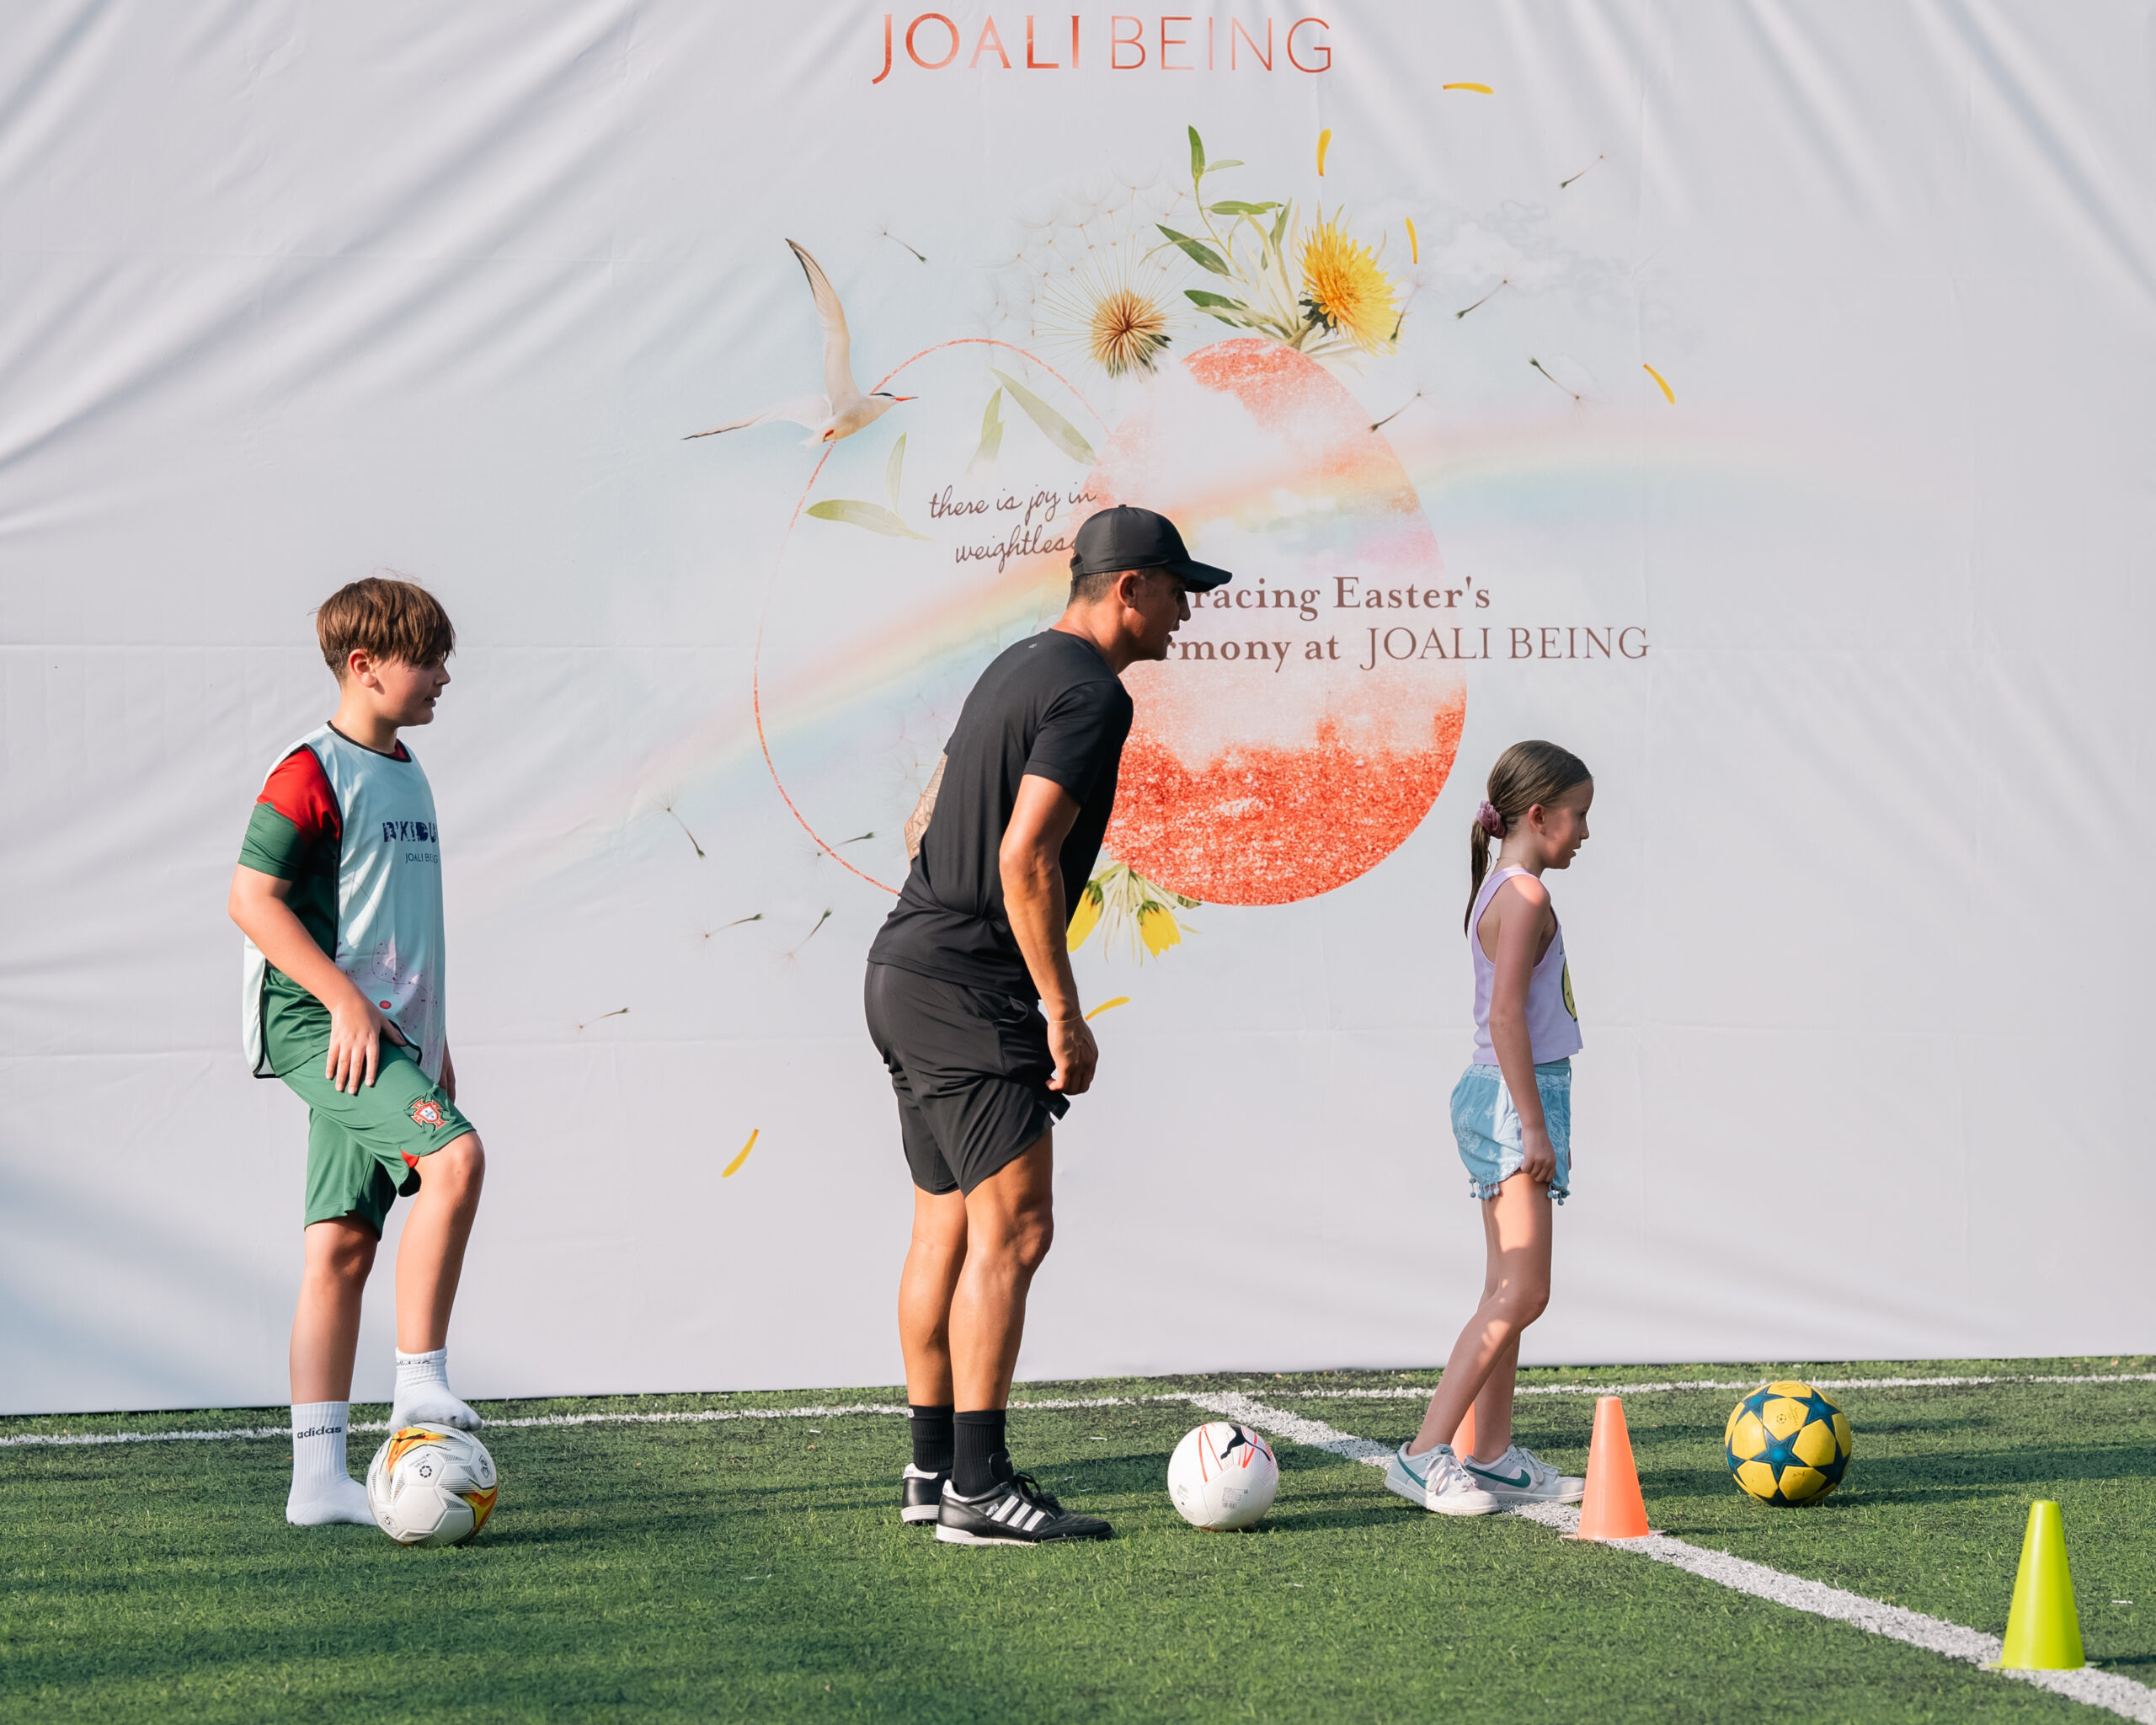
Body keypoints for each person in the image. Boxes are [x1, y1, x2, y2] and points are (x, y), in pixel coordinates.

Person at [865, 505, 1230, 1546]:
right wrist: (1062, 1015)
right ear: (1129, 588)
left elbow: (924, 818)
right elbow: (1024, 856)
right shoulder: (1092, 691)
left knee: (944, 1224)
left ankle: (932, 1469)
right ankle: (978, 1486)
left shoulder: (1017, 663)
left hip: (903, 967)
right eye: (1178, 591)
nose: (1186, 612)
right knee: (1017, 1229)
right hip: (967, 990)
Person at [227, 575, 485, 1527]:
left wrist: (433, 1039)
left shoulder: (410, 769)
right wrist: (343, 1002)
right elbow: (250, 898)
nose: (445, 677)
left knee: (339, 1245)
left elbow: (400, 924)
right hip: (317, 1022)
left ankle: (316, 1482)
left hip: (387, 1032)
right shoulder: (309, 770)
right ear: (365, 665)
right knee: (456, 1159)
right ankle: (419, 1380)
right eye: (430, 660)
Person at [1386, 741, 1594, 1515]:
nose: (1585, 833)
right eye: (1578, 816)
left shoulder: (1501, 888)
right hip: (1515, 1100)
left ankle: (1494, 1454)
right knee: (1524, 1291)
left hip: (1505, 1095)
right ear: (1538, 815)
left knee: (1505, 1289)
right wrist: (1534, 1128)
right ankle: (1421, 1454)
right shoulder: (1527, 896)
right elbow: (1507, 1018)